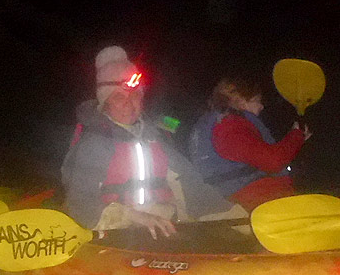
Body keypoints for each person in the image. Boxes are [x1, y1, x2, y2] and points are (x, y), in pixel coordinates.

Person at [60, 46, 245, 248]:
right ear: (105, 103)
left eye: (136, 96)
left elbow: (193, 190)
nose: (130, 105)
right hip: (115, 237)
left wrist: (241, 219)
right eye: (119, 98)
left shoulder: (155, 137)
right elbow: (81, 208)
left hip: (165, 230)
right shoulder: (94, 144)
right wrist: (134, 217)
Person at [187, 77, 309, 210]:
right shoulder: (230, 125)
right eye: (257, 101)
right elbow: (273, 161)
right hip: (260, 204)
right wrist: (296, 136)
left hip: (251, 203)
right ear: (240, 101)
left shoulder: (217, 125)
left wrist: (296, 139)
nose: (261, 106)